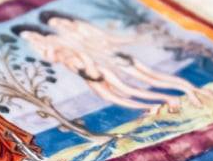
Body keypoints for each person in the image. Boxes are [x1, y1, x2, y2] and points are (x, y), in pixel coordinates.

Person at [39, 10, 213, 107]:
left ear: (65, 18)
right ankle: (193, 92)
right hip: (110, 60)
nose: (61, 26)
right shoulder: (70, 37)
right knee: (153, 78)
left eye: (60, 21)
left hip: (116, 56)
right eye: (56, 26)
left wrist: (133, 39)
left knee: (153, 78)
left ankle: (192, 92)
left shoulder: (83, 27)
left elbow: (110, 39)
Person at [14, 23, 184, 114]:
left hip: (92, 67)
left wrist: (90, 69)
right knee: (109, 96)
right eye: (28, 39)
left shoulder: (54, 39)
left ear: (36, 31)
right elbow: (52, 59)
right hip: (82, 72)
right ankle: (150, 107)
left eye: (31, 35)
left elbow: (79, 51)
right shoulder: (43, 47)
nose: (32, 39)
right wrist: (42, 46)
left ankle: (169, 98)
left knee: (125, 89)